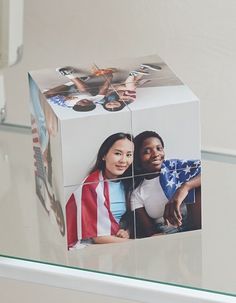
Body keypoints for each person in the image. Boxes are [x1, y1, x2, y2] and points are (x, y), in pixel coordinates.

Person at [66, 132, 134, 248]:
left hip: (117, 242)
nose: (123, 160)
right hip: (95, 246)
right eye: (118, 153)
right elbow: (97, 236)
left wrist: (127, 231)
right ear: (104, 155)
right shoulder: (91, 186)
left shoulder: (128, 184)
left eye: (129, 155)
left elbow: (128, 218)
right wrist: (137, 244)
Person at [130, 131, 201, 238]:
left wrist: (185, 187)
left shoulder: (178, 170)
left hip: (195, 229)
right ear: (137, 158)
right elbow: (149, 231)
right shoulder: (137, 193)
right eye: (147, 151)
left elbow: (211, 170)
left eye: (159, 148)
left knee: (198, 188)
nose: (156, 154)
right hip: (167, 238)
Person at [44, 67, 113, 112]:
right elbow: (105, 88)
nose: (85, 100)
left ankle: (71, 81)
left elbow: (49, 97)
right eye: (87, 102)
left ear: (76, 104)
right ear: (92, 103)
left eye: (82, 102)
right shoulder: (96, 100)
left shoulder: (68, 103)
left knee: (46, 95)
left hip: (67, 91)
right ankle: (68, 74)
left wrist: (64, 97)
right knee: (84, 89)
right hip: (84, 89)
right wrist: (110, 76)